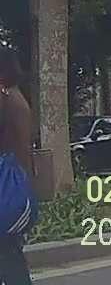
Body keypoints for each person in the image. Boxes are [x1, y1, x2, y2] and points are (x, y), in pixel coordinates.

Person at [1, 48, 34, 285]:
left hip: (5, 186)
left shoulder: (5, 98)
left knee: (8, 255)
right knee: (9, 253)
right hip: (14, 185)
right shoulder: (16, 97)